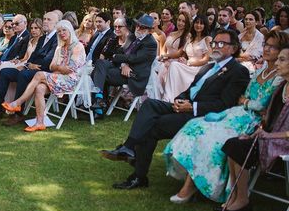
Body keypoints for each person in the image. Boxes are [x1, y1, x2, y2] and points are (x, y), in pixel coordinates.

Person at [100, 29, 250, 190]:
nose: (215, 47)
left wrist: (192, 107)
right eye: (214, 43)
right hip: (185, 106)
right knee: (149, 104)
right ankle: (129, 147)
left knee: (153, 124)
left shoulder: (239, 71)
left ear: (234, 48)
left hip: (202, 116)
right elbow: (191, 90)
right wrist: (181, 99)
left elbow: (225, 104)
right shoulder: (208, 67)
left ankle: (138, 175)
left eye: (221, 43)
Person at [165, 32, 288, 204]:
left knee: (212, 138)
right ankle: (191, 177)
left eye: (272, 46)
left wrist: (246, 102)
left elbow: (262, 105)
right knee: (196, 125)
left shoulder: (279, 78)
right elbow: (246, 98)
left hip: (252, 122)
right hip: (236, 113)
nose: (266, 48)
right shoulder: (261, 70)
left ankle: (196, 187)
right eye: (266, 44)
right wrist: (247, 102)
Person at [220, 43, 289, 211]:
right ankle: (235, 195)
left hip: (282, 142)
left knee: (237, 148)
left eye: (282, 60)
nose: (277, 64)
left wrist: (269, 136)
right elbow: (269, 118)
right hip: (269, 135)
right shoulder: (282, 87)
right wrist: (255, 132)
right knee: (232, 143)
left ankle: (242, 200)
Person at [2, 20, 86, 131]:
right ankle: (39, 123)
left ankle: (18, 102)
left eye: (64, 30)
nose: (61, 33)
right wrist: (59, 67)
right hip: (57, 78)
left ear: (70, 30)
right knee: (39, 88)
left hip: (71, 81)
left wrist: (58, 67)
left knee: (39, 74)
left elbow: (69, 69)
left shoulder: (78, 46)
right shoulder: (59, 48)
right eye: (59, 31)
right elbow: (51, 66)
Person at [0, 11, 59, 121]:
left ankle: (18, 113)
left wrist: (31, 66)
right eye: (44, 19)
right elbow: (33, 55)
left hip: (44, 72)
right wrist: (27, 64)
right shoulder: (43, 38)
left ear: (56, 23)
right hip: (31, 68)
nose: (45, 21)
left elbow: (49, 59)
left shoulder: (57, 39)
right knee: (5, 72)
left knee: (23, 74)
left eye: (48, 20)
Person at [91, 14, 158, 114]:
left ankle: (100, 105)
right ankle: (99, 100)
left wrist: (116, 58)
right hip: (122, 68)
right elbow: (121, 52)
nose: (138, 28)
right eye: (138, 25)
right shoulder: (133, 37)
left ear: (150, 30)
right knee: (100, 63)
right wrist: (123, 64)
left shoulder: (150, 43)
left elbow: (134, 58)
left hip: (133, 74)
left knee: (98, 72)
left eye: (142, 27)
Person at [0, 17, 43, 106]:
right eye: (32, 28)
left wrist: (25, 65)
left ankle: (7, 101)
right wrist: (18, 60)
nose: (33, 30)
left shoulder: (43, 42)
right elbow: (26, 57)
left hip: (30, 67)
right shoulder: (31, 40)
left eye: (36, 28)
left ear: (41, 29)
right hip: (24, 62)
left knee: (5, 66)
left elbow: (35, 60)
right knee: (5, 69)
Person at [160, 15, 212, 103]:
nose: (198, 25)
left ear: (205, 25)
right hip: (187, 65)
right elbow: (184, 54)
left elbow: (206, 60)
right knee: (174, 65)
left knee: (174, 65)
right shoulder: (190, 38)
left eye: (201, 23)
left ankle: (171, 98)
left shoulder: (207, 39)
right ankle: (168, 98)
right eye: (196, 23)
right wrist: (182, 59)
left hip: (199, 69)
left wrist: (189, 63)